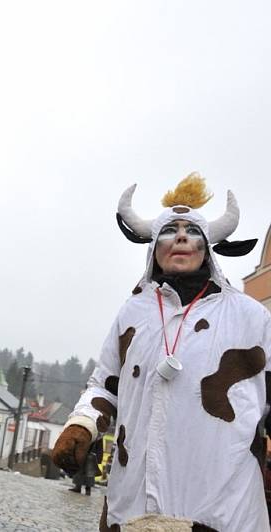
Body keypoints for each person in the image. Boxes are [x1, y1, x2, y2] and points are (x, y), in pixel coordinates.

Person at [52, 174, 271, 531]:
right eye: (170, 230)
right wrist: (82, 424)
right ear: (154, 246)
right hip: (134, 504)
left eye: (192, 231)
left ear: (208, 248)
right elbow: (105, 384)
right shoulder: (133, 312)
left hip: (222, 511)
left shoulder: (251, 318)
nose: (181, 237)